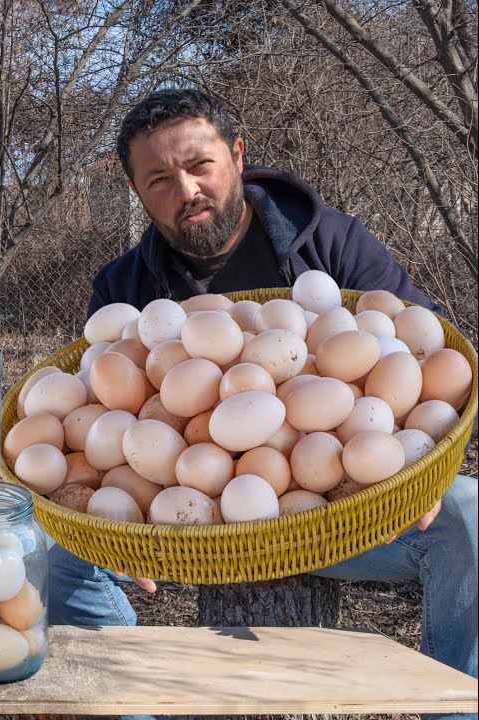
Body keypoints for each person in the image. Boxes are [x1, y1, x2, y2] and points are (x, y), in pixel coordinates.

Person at [52, 89, 477, 710]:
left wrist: (422, 460)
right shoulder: (125, 288)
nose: (187, 190)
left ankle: (462, 706)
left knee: (470, 516)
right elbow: (106, 411)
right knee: (45, 550)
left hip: (340, 512)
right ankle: (134, 705)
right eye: (160, 179)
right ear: (139, 193)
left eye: (200, 165)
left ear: (238, 156)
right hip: (188, 528)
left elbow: (422, 344)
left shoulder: (329, 242)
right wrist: (114, 525)